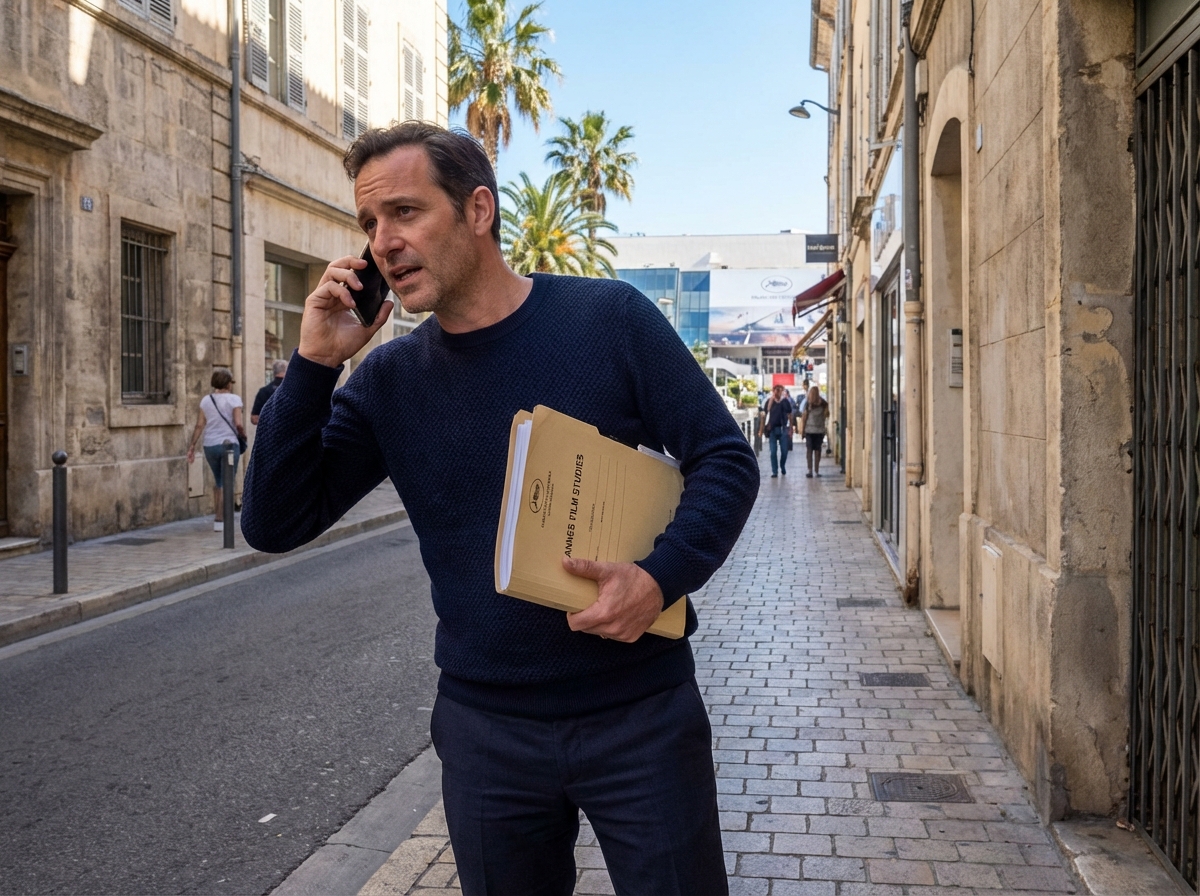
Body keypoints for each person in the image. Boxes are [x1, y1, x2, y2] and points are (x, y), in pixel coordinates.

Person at [241, 122, 759, 896]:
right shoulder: (386, 382)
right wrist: (314, 365)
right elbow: (273, 522)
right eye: (370, 224)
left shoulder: (609, 321)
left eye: (406, 213)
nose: (383, 242)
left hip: (640, 716)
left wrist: (658, 579)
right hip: (485, 734)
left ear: (478, 209)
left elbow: (724, 457)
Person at [186, 368, 245, 531]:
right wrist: (243, 435)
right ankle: (225, 520)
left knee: (219, 480)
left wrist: (192, 445)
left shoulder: (206, 400)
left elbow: (199, 425)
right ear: (227, 384)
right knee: (228, 481)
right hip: (229, 444)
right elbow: (238, 423)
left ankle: (218, 519)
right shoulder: (234, 399)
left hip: (210, 445)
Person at [757, 383, 793, 478]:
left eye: (779, 389)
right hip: (772, 429)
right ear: (773, 391)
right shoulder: (769, 402)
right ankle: (775, 471)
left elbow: (790, 415)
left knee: (784, 451)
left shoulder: (785, 402)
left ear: (782, 391)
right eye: (776, 389)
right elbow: (764, 416)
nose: (777, 391)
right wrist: (761, 429)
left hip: (783, 429)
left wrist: (791, 429)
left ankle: (782, 465)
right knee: (773, 452)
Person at [801, 384, 829, 478]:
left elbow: (804, 418)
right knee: (817, 451)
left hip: (809, 430)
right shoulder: (823, 403)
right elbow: (827, 414)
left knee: (809, 451)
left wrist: (802, 431)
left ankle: (810, 470)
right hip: (819, 430)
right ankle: (816, 470)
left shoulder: (808, 404)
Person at [251, 358, 288, 425]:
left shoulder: (263, 391)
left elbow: (254, 418)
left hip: (270, 432)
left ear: (273, 371)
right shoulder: (294, 390)